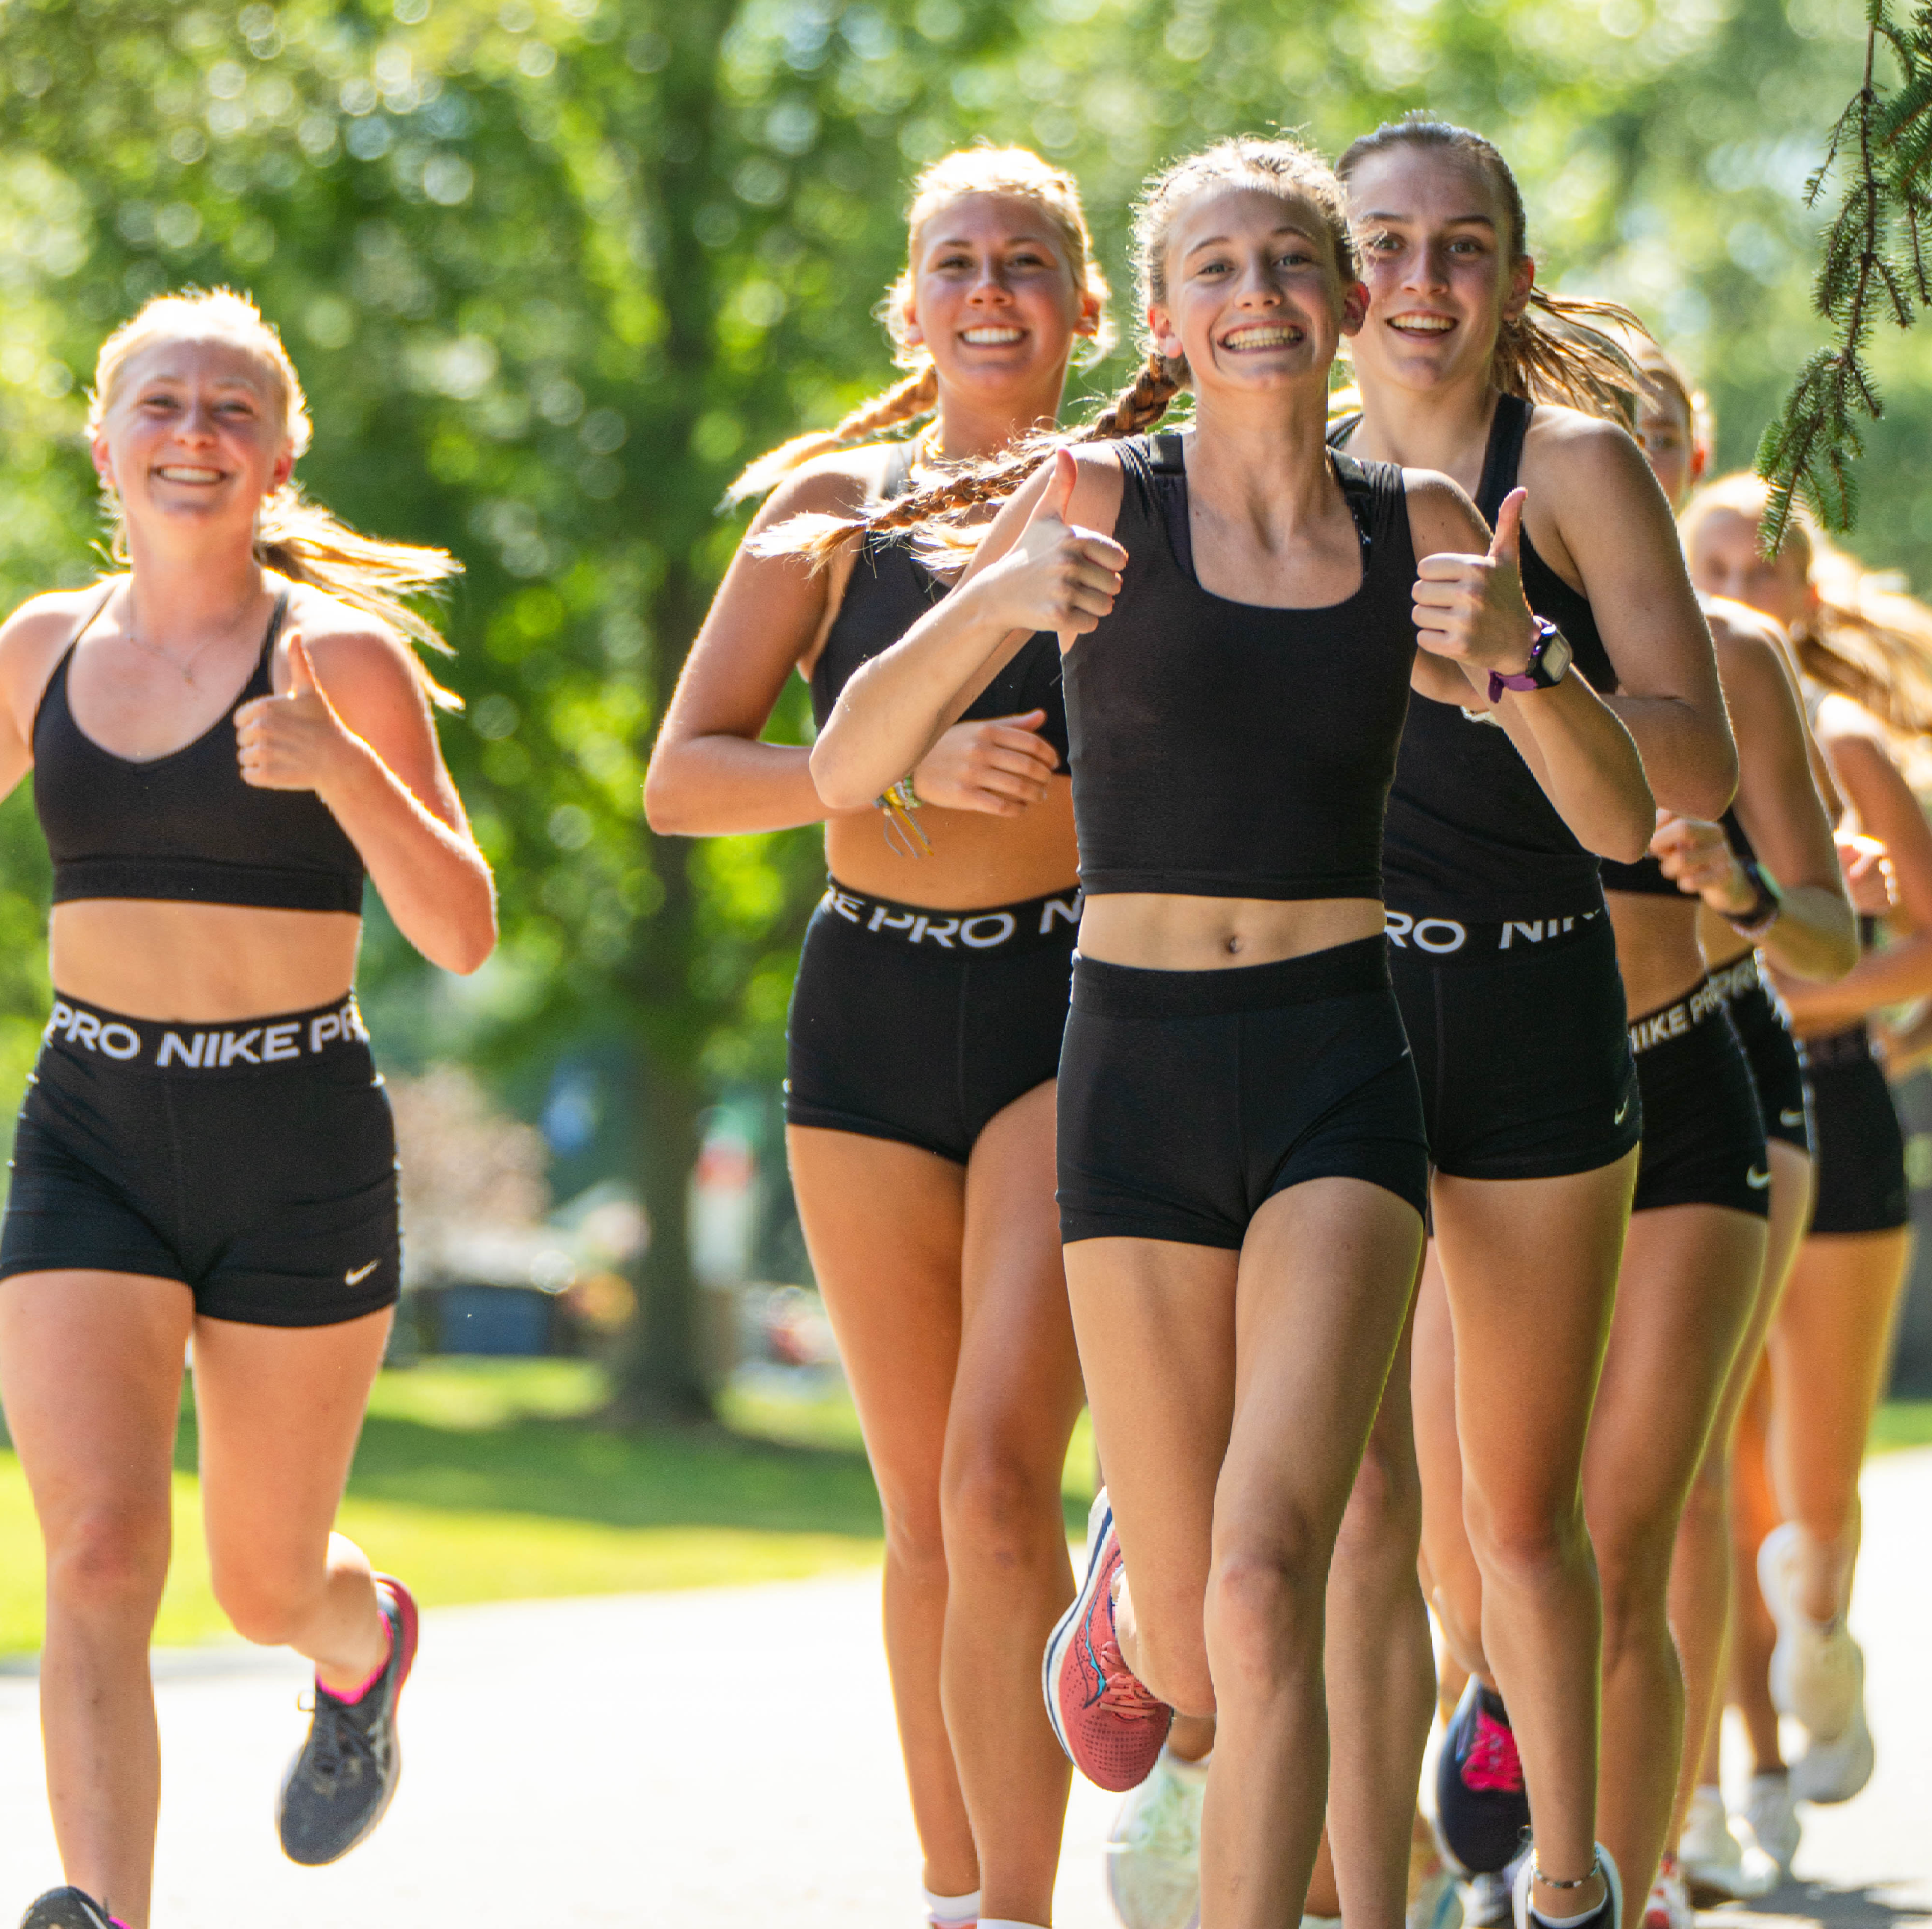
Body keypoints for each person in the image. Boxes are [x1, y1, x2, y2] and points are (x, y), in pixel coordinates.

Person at [803, 133, 1655, 1929]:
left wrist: (1525, 656)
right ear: (1172, 315)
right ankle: (1132, 1594)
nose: (1255, 297)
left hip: (1341, 1065)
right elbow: (845, 762)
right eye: (1215, 268)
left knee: (1281, 1580)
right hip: (1136, 1074)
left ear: (1346, 307)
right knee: (1198, 1642)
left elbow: (1617, 819)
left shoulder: (1418, 530)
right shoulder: (1102, 501)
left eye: (1289, 266)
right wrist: (997, 600)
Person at [644, 147, 1110, 1929]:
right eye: (955, 262)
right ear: (906, 307)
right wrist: (892, 765)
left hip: (1078, 1004)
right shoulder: (832, 513)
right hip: (872, 1009)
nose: (988, 289)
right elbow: (687, 777)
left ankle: (1028, 1894)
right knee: (923, 1510)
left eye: (1026, 262)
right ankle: (952, 1896)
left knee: (1003, 1491)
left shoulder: (1139, 493)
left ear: (1085, 307)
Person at [0, 289, 496, 1929]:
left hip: (295, 1146)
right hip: (91, 1135)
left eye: (228, 411)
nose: (192, 434)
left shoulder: (339, 654)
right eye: (160, 404)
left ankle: (365, 1649)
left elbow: (461, 929)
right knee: (93, 1554)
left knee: (263, 1578)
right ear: (105, 440)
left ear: (281, 455)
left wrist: (344, 766)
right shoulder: (41, 647)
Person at [1327, 117, 1737, 1929]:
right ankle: (1351, 1884)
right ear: (1336, 278)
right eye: (1388, 245)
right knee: (1346, 1525)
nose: (1423, 281)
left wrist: (1518, 663)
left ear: (1513, 274)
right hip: (1334, 1015)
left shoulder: (1568, 469)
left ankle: (1570, 1887)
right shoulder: (1270, 473)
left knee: (1520, 1524)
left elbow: (1689, 771)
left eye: (1463, 245)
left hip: (1533, 1004)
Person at [1680, 472, 1932, 1841]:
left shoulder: (1843, 742)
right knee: (1711, 1466)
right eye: (1709, 559)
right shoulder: (1648, 734)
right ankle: (1718, 1787)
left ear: (1807, 596)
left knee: (1811, 1497)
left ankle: (1821, 1644)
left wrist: (1803, 987)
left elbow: (1927, 947)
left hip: (1837, 1109)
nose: (1735, 585)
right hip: (1697, 1102)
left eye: (1762, 567)